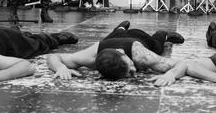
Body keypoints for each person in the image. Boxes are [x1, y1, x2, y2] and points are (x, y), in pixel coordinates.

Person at [47, 21, 186, 86]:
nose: (134, 71)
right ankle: (120, 29)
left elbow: (182, 64)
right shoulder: (91, 56)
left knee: (157, 43)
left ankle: (164, 34)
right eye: (130, 72)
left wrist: (171, 74)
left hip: (140, 38)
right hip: (112, 39)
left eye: (130, 66)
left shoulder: (142, 56)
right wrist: (60, 67)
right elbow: (54, 57)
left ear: (122, 53)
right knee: (115, 35)